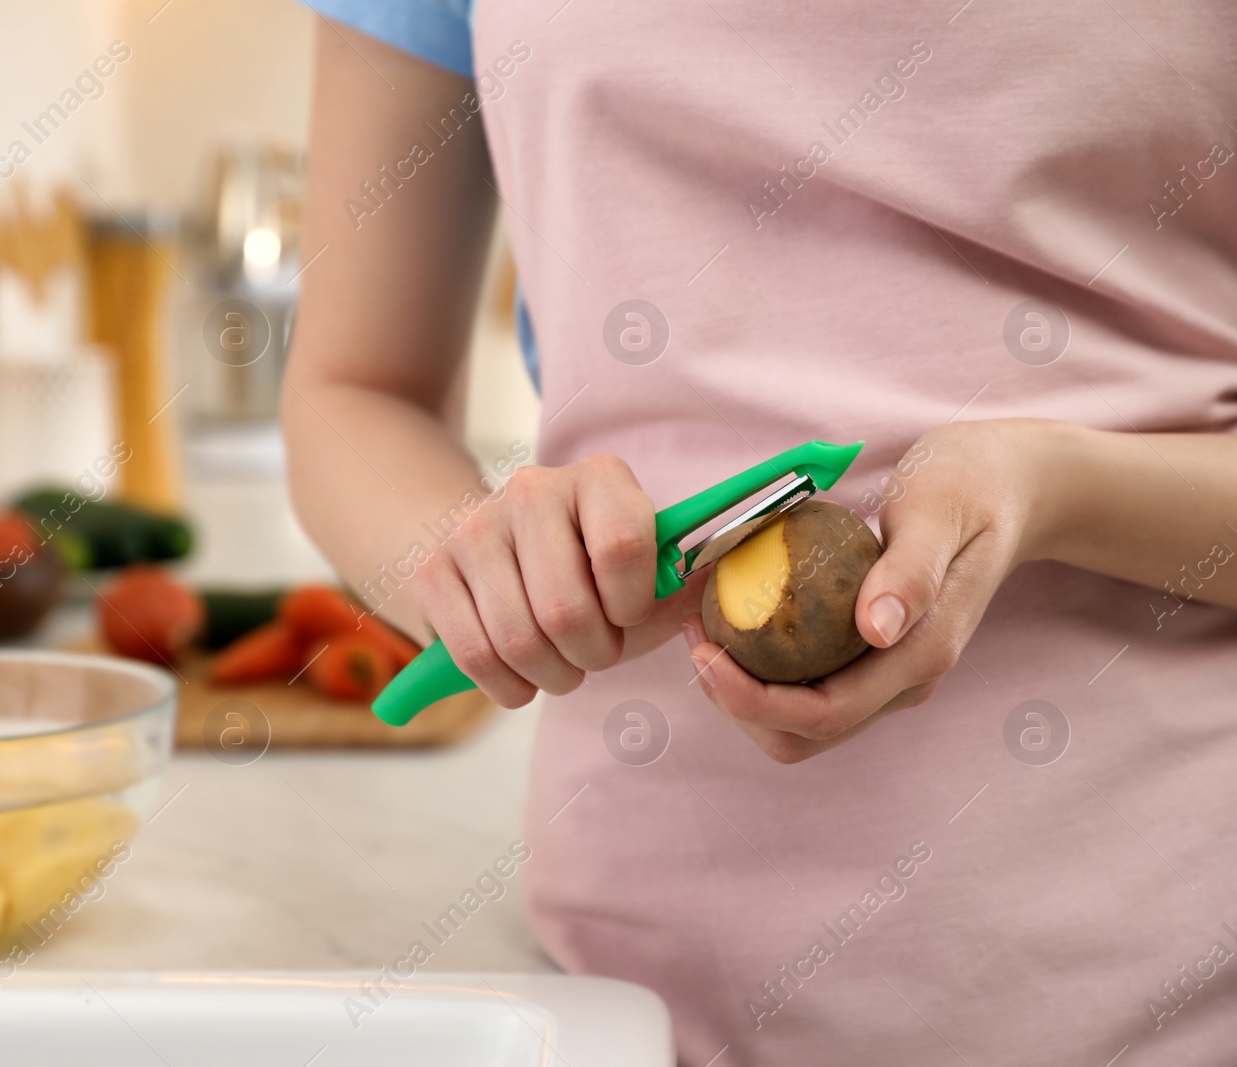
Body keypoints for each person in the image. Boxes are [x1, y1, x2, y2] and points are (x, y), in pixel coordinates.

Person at [280, 3, 1237, 1063]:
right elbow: (354, 390)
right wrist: (469, 565)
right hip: (628, 999)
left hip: (1171, 986)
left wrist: (1055, 487)